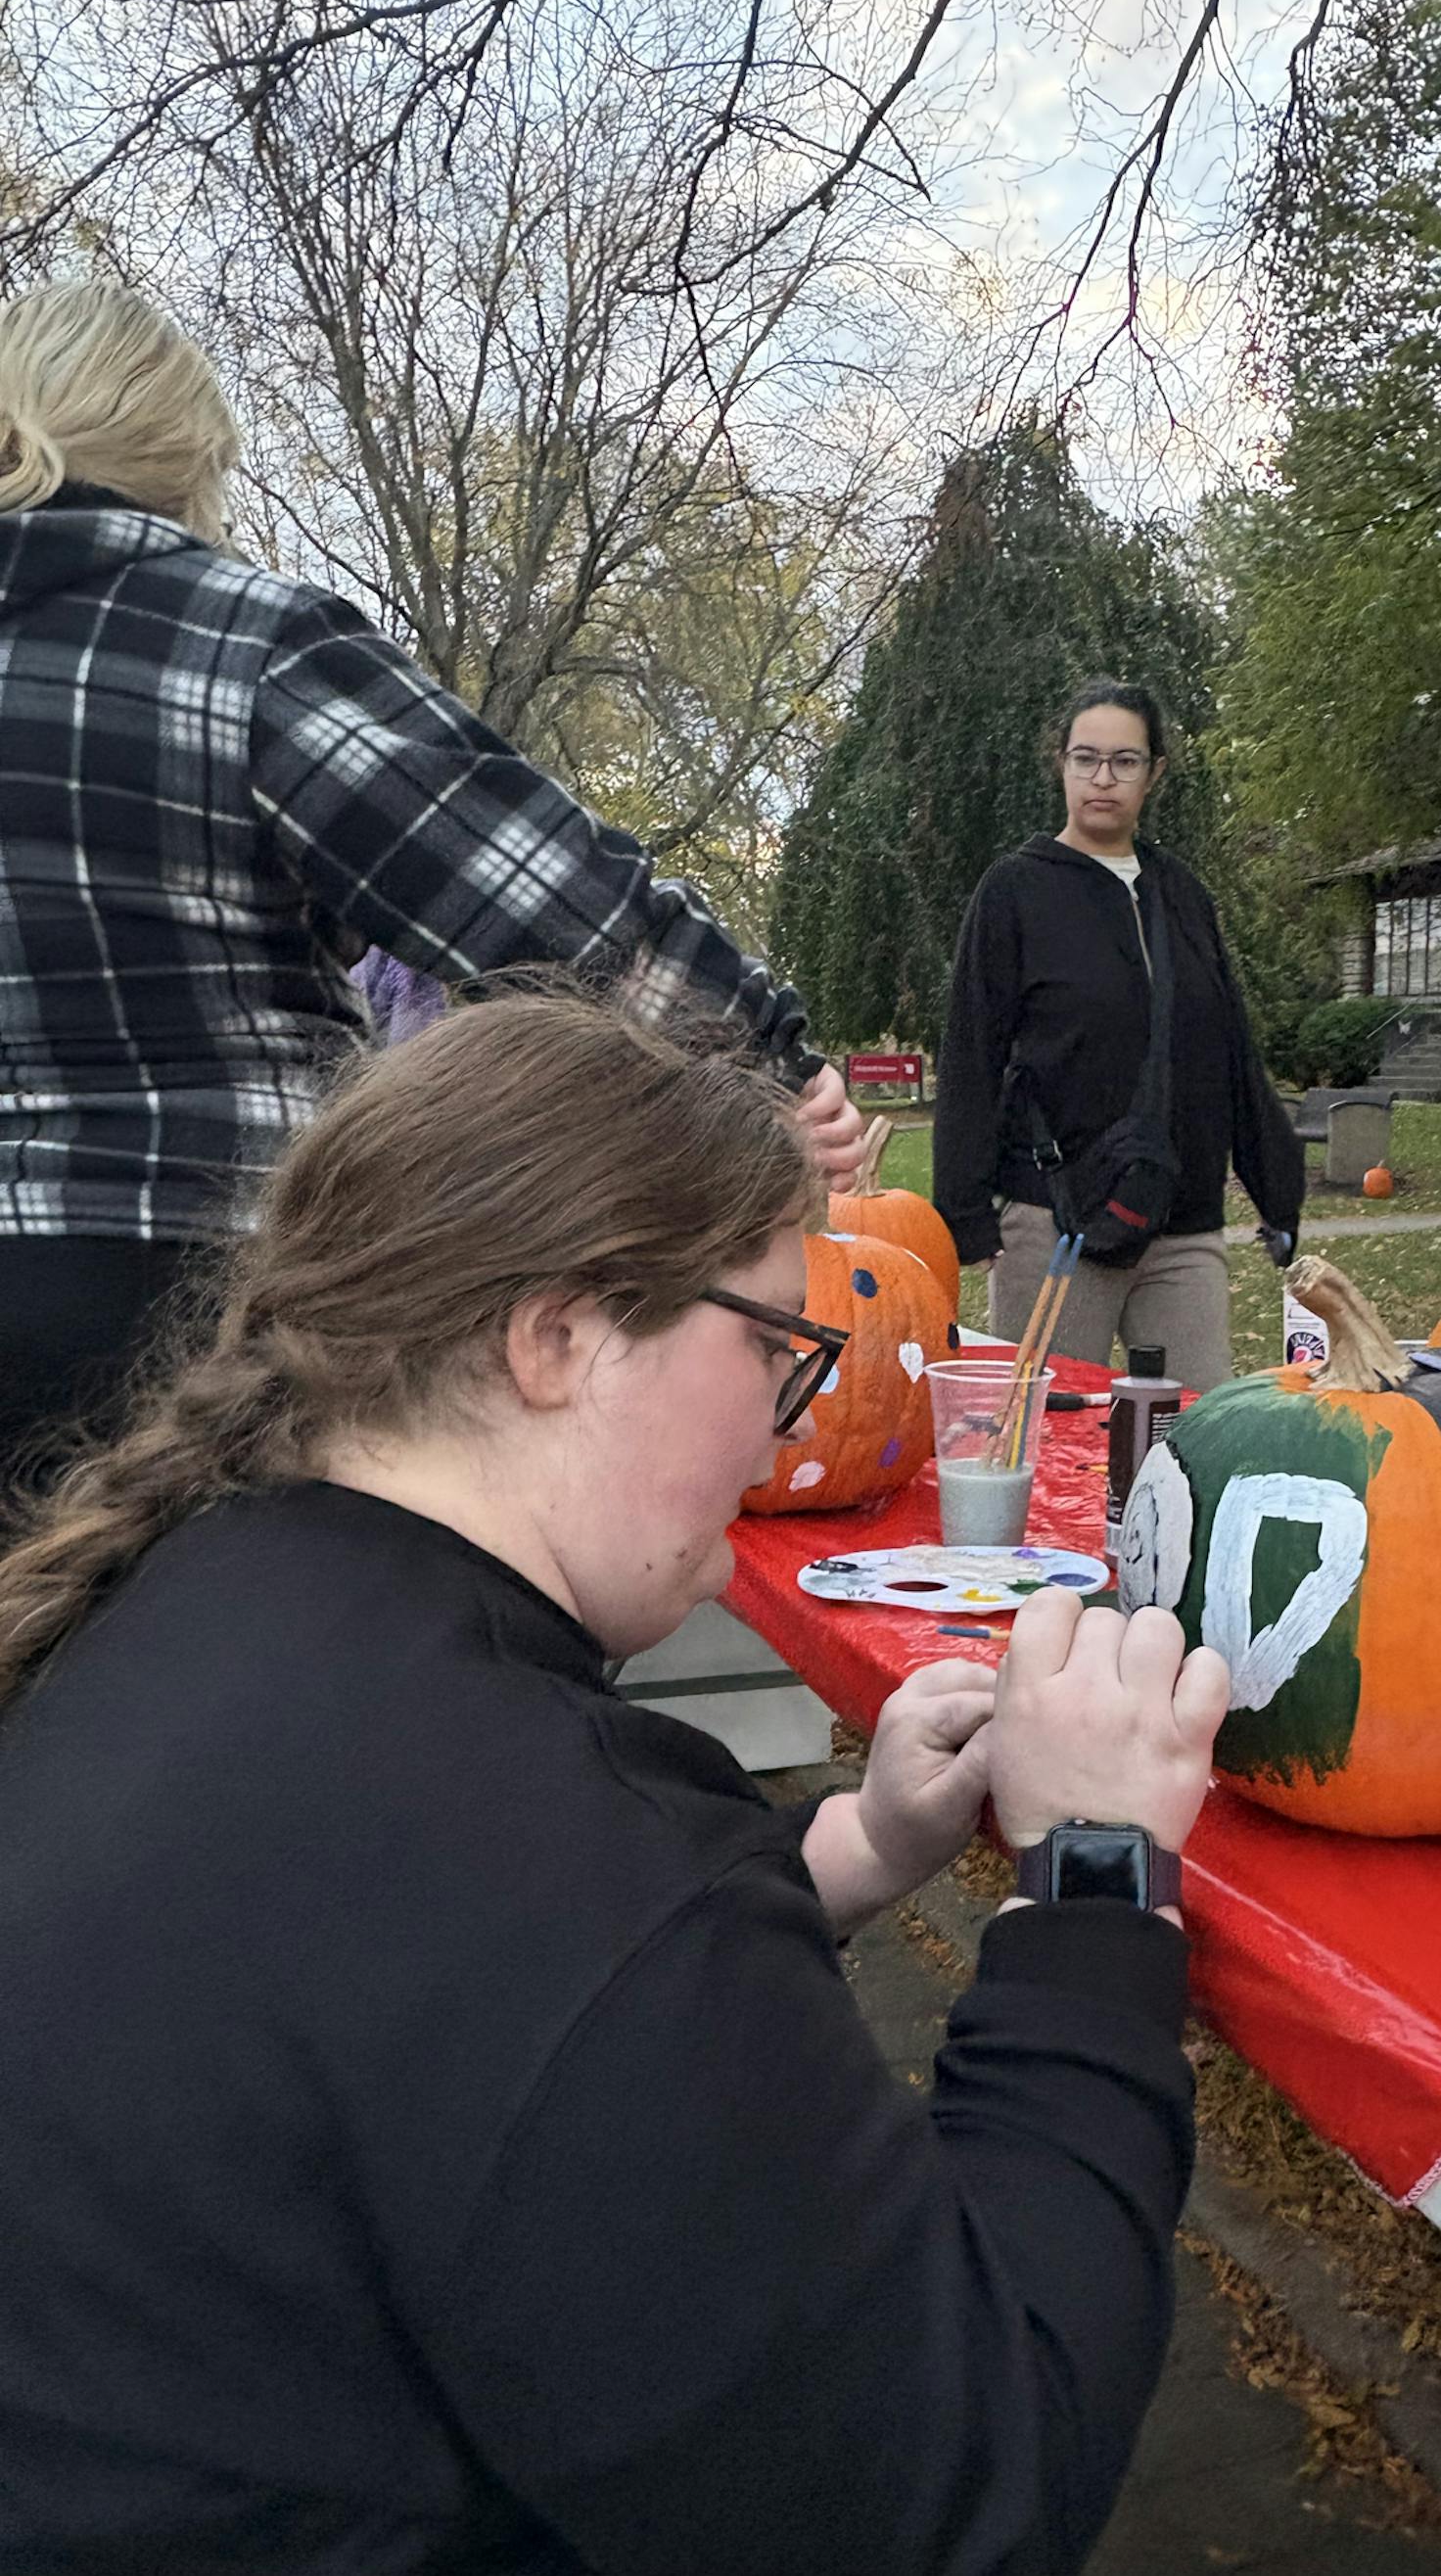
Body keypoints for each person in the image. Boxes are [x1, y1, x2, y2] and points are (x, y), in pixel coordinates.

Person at [0, 986, 1230, 2574]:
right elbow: (964, 2479)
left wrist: (849, 1843)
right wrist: (1096, 1884)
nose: (788, 1421)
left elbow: (446, 2004)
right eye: (780, 1344)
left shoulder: (193, 1603)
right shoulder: (555, 1844)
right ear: (560, 1334)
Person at [0, 280, 864, 1475]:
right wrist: (773, 1065)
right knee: (233, 1657)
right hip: (197, 1311)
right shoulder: (233, 646)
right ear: (180, 455)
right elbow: (550, 906)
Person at [934, 679, 1303, 1394]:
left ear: (1155, 772)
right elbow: (971, 1052)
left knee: (1198, 1434)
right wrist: (966, 1214)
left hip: (1183, 1221)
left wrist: (1275, 1188)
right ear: (1061, 764)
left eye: (1125, 761)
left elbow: (1230, 1052)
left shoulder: (1184, 895)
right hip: (1057, 1218)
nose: (1103, 778)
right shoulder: (1015, 890)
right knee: (1045, 1436)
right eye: (1086, 758)